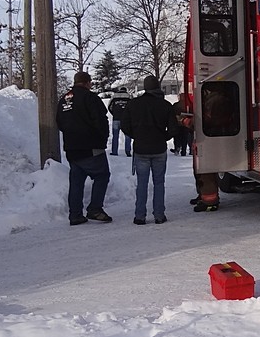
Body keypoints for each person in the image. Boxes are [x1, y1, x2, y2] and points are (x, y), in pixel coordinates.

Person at [56, 71, 112, 226]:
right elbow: (100, 120)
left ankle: (75, 214)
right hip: (91, 147)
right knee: (102, 175)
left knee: (76, 181)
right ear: (88, 83)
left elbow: (59, 123)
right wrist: (102, 139)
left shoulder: (63, 100)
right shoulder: (90, 97)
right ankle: (95, 208)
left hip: (72, 148)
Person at [121, 75, 175, 225]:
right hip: (159, 148)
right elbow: (173, 129)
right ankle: (159, 215)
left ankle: (140, 216)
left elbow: (125, 126)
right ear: (158, 87)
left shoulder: (133, 105)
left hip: (141, 148)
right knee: (159, 183)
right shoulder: (165, 105)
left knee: (142, 183)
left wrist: (136, 135)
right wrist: (163, 137)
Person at [107, 87, 132, 157]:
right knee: (128, 136)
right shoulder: (129, 96)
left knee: (115, 136)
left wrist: (114, 113)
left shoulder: (114, 96)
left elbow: (109, 106)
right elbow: (132, 107)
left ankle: (114, 151)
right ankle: (128, 151)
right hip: (126, 120)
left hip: (116, 119)